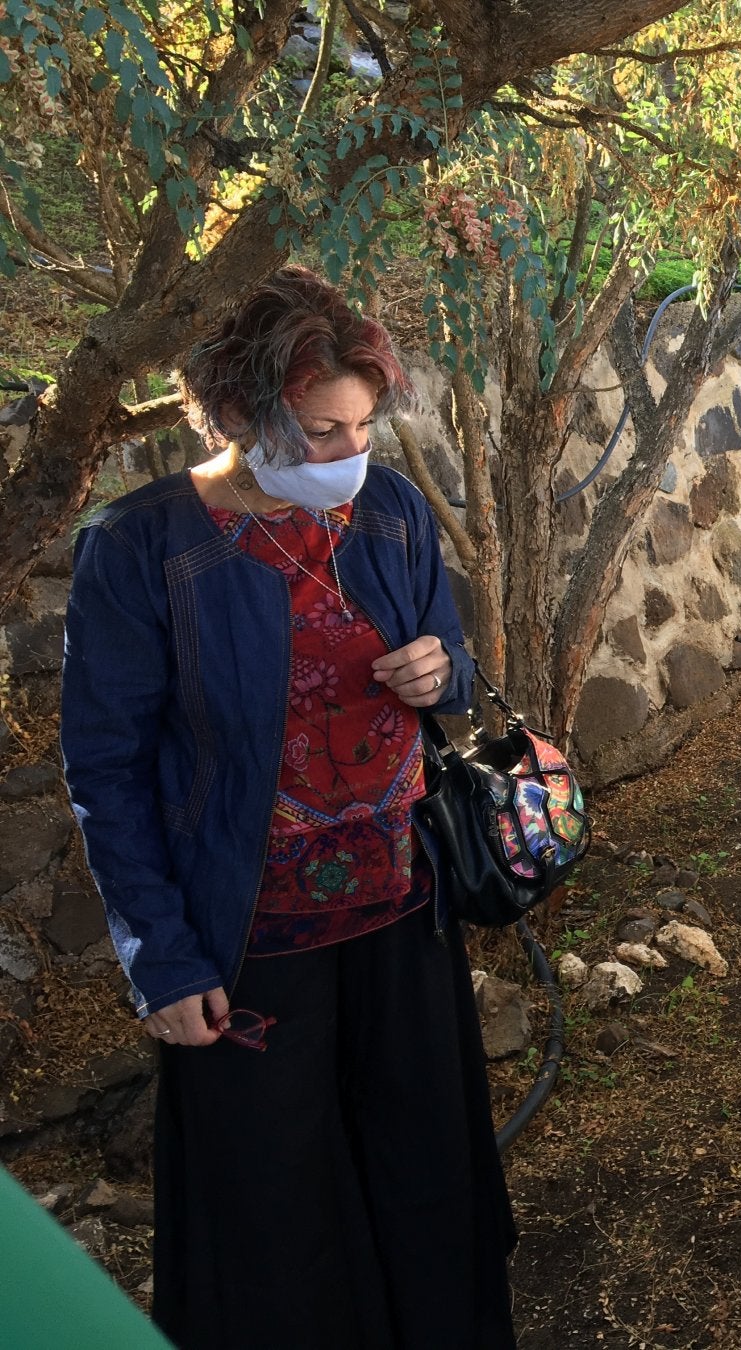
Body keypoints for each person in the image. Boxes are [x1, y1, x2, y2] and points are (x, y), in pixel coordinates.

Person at [61, 267, 516, 1349]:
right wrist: (161, 957)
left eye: (362, 427)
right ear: (233, 415)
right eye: (320, 430)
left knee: (422, 1189)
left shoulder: (393, 514)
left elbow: (451, 669)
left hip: (406, 919)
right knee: (273, 1224)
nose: (349, 457)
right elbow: (107, 771)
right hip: (248, 948)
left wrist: (435, 672)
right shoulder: (140, 549)